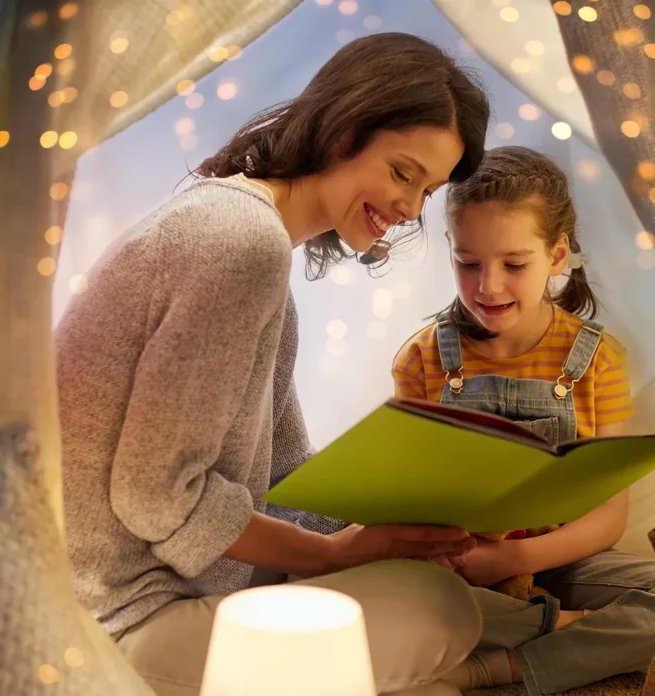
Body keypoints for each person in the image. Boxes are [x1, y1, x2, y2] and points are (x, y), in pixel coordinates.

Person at [55, 33, 490, 696]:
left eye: (426, 191)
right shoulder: (239, 243)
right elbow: (153, 497)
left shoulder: (259, 253)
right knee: (442, 614)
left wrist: (386, 527)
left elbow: (286, 477)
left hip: (180, 590)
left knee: (431, 618)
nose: (409, 210)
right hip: (116, 622)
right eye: (404, 173)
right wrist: (333, 555)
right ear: (343, 127)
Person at [392, 146, 655, 694]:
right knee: (386, 592)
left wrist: (514, 556)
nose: (489, 287)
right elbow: (412, 502)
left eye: (514, 264)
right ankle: (554, 631)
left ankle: (494, 666)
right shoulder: (423, 358)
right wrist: (467, 556)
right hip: (459, 569)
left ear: (556, 256)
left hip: (562, 559)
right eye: (468, 263)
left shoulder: (597, 359)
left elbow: (608, 518)